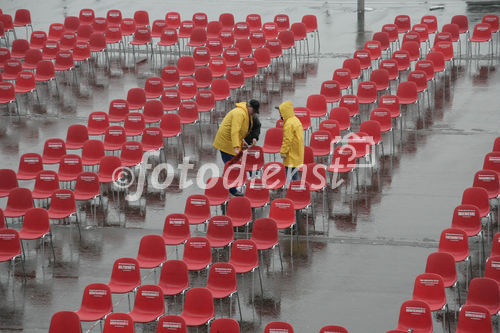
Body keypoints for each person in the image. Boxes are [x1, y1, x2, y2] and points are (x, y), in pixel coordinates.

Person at [213, 99, 260, 196]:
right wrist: (236, 146)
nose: (254, 113)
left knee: (230, 166)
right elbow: (234, 131)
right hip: (226, 143)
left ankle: (226, 187)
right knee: (231, 167)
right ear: (249, 107)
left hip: (230, 142)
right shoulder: (239, 113)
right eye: (254, 111)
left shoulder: (245, 113)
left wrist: (242, 141)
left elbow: (240, 131)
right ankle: (230, 189)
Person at [276, 101, 304, 181]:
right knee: (294, 172)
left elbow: (287, 140)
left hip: (291, 153)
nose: (280, 114)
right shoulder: (295, 120)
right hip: (296, 152)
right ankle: (296, 188)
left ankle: (293, 190)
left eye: (281, 112)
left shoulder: (289, 124)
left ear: (285, 112)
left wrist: (283, 152)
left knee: (290, 174)